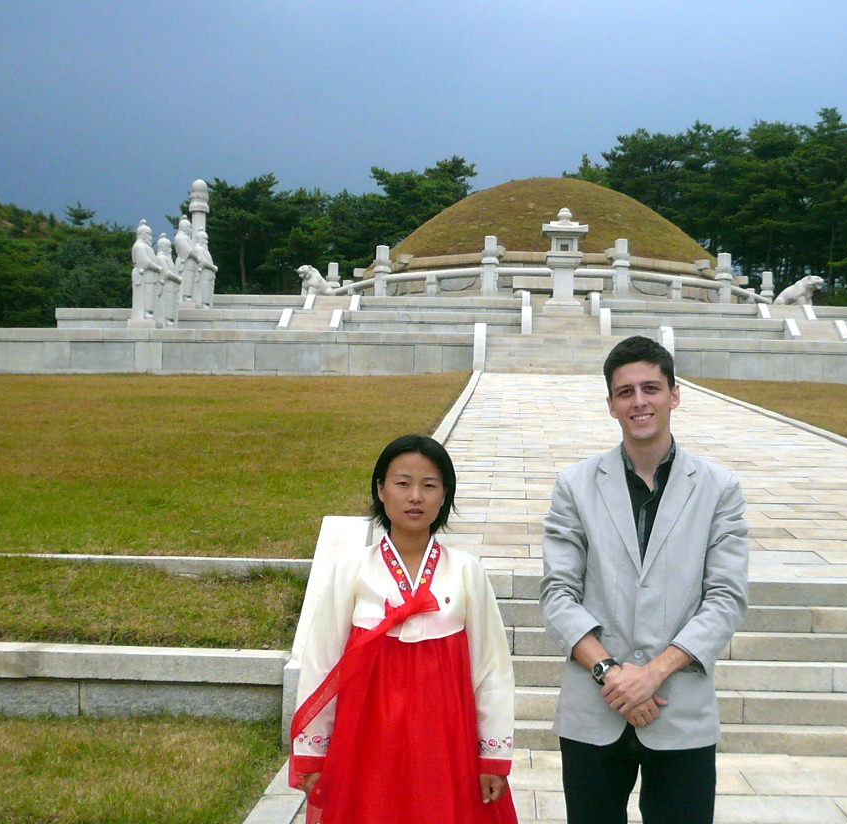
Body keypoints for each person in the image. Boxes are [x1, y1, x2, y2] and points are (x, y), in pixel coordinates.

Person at [540, 335, 750, 824]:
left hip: (678, 707)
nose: (639, 401)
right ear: (611, 404)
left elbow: (725, 597)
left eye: (651, 388)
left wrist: (652, 673)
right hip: (595, 709)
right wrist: (610, 673)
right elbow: (558, 594)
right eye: (626, 391)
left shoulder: (720, 489)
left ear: (674, 395)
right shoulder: (575, 485)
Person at [289, 434, 517, 824]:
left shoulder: (465, 571)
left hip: (446, 741)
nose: (416, 496)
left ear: (444, 495)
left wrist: (492, 755)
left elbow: (491, 668)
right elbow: (321, 663)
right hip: (366, 739)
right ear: (380, 489)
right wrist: (314, 751)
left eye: (429, 486)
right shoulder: (352, 571)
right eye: (403, 483)